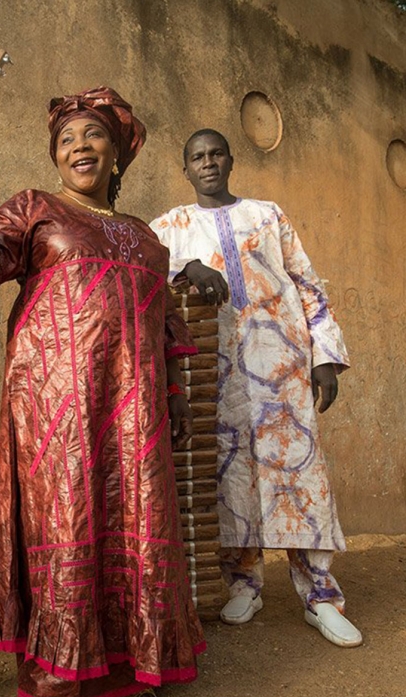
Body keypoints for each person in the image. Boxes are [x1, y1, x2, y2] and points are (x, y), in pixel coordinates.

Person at [0, 87, 205, 697]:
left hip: (135, 413)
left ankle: (133, 667)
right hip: (56, 409)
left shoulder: (145, 237)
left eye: (93, 135)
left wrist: (175, 396)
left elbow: (164, 326)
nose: (80, 146)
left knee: (135, 527)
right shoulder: (35, 209)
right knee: (65, 525)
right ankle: (52, 677)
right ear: (55, 157)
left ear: (118, 152)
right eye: (66, 139)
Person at [150, 129, 362, 648]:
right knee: (230, 476)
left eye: (215, 154)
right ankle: (244, 584)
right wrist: (188, 266)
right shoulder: (171, 226)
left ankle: (320, 596)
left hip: (282, 365)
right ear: (185, 168)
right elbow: (143, 269)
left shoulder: (268, 215)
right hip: (215, 371)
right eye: (197, 157)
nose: (207, 163)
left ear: (230, 160)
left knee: (299, 474)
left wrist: (324, 357)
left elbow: (306, 282)